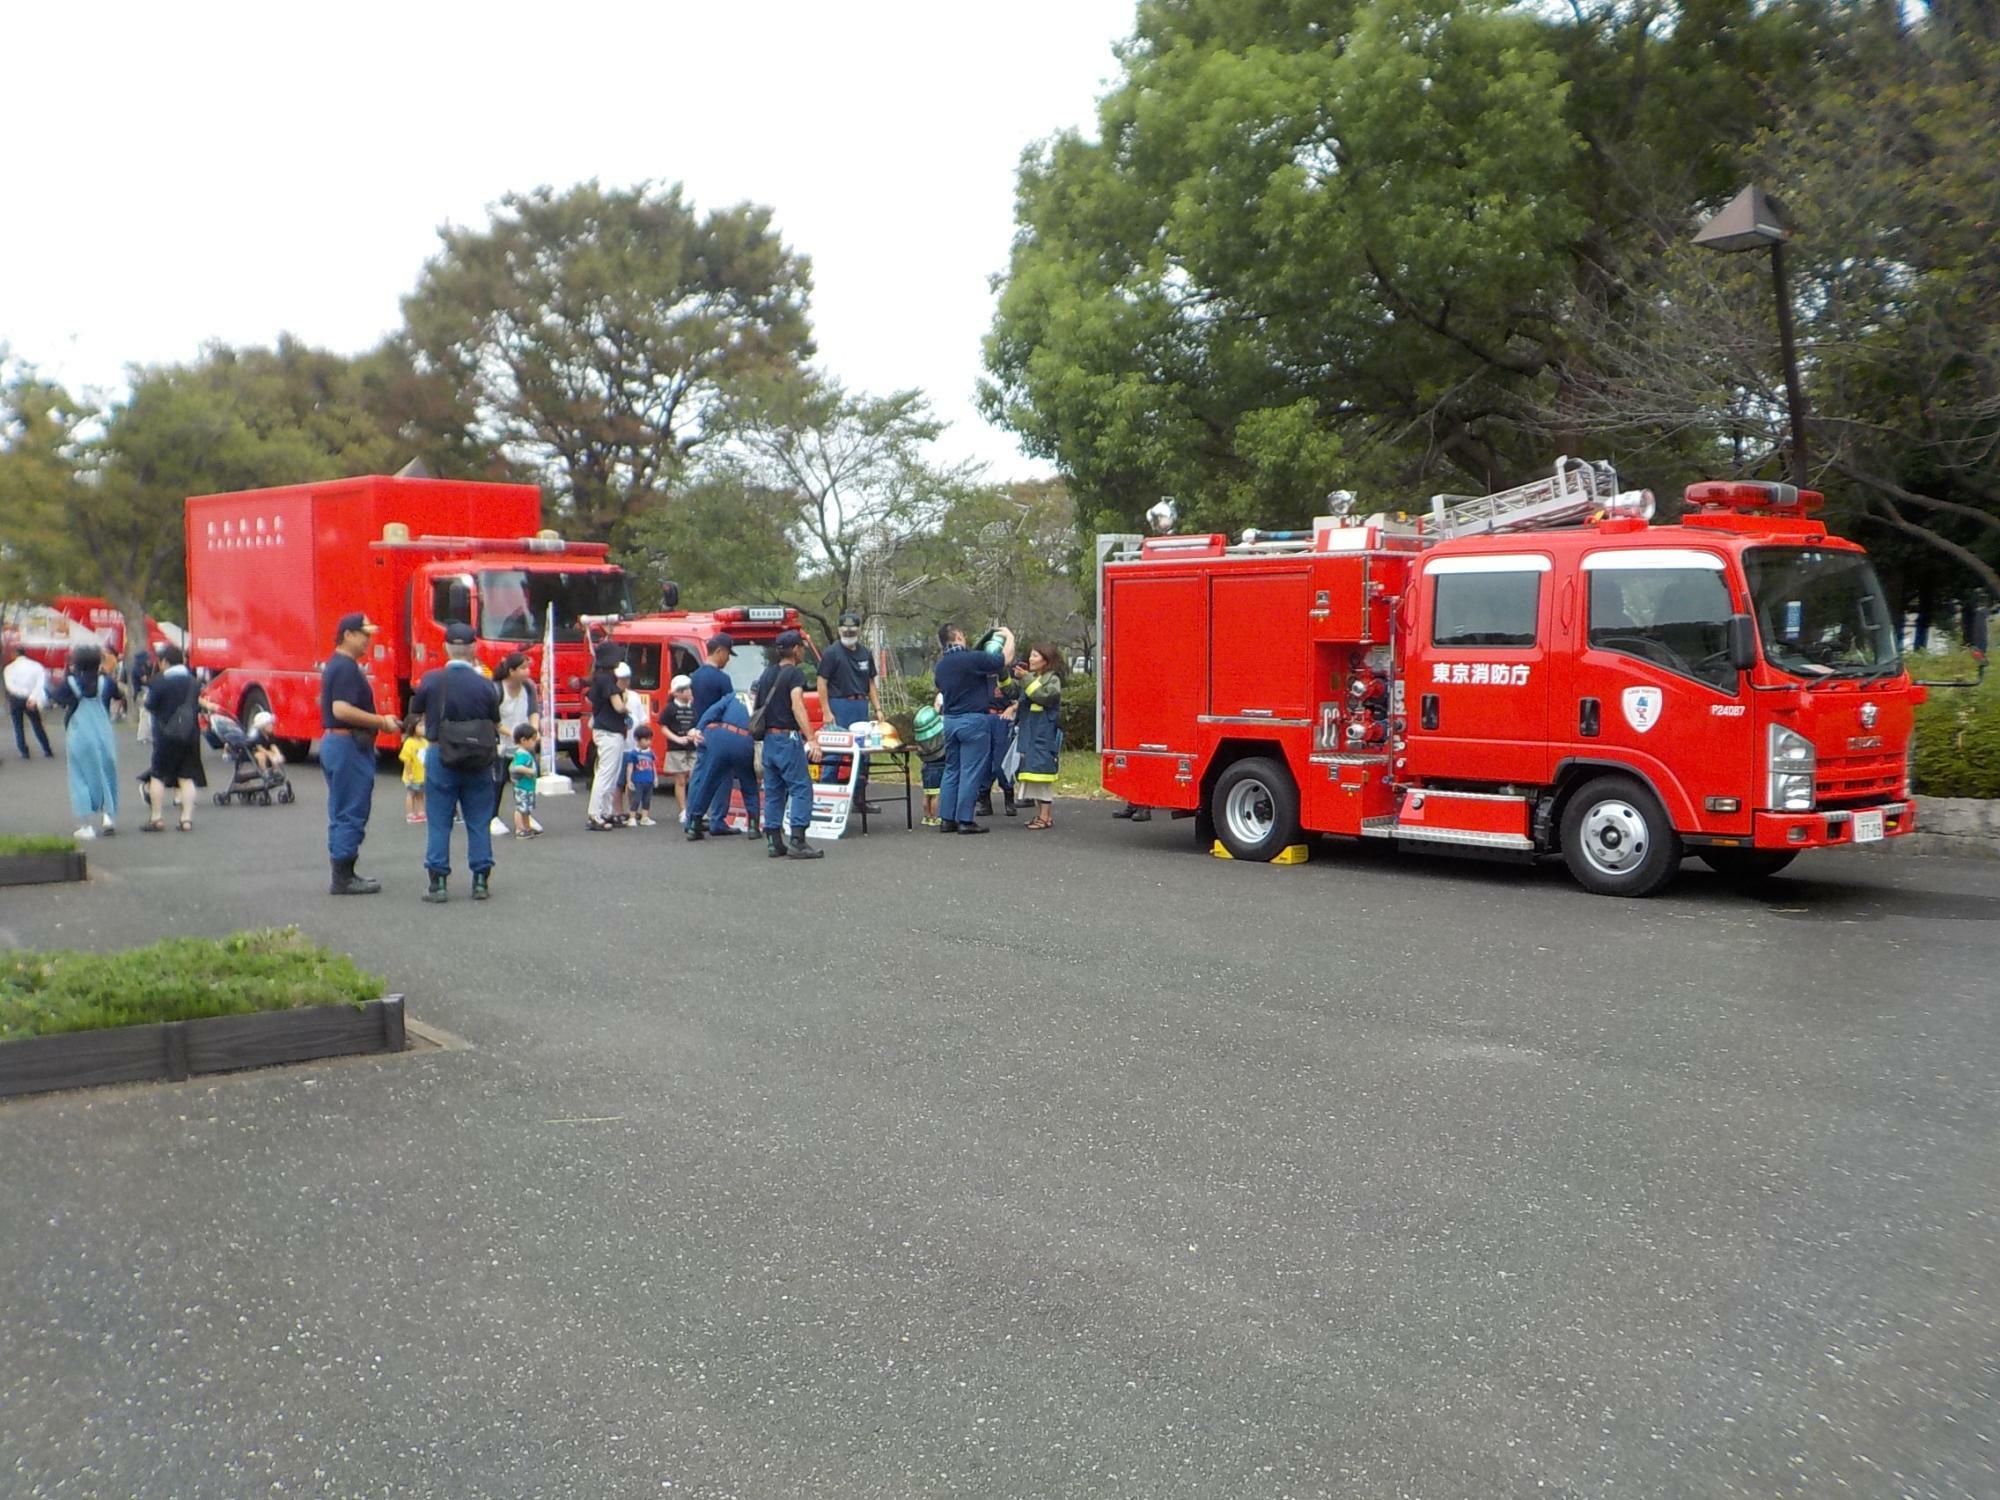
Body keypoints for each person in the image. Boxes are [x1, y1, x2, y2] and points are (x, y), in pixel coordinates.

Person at [409, 621, 503, 902]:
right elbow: (494, 721)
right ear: (474, 648)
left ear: (445, 648)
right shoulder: (486, 685)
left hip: (442, 754)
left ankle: (438, 883)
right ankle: (480, 880)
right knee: (478, 819)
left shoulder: (432, 681)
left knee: (439, 820)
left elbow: (415, 715)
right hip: (478, 758)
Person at [321, 613, 397, 894]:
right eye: (364, 634)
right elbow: (341, 709)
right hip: (347, 744)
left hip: (341, 744)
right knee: (351, 809)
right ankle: (343, 876)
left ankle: (343, 869)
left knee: (342, 808)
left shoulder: (341, 665)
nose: (369, 639)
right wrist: (381, 722)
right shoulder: (345, 668)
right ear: (348, 634)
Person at [933, 622, 1013, 834]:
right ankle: (965, 820)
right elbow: (1004, 659)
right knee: (971, 770)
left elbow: (939, 686)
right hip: (973, 720)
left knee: (951, 769)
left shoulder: (940, 666)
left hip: (950, 720)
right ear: (958, 636)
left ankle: (946, 818)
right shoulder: (973, 659)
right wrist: (1009, 636)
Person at [753, 629, 824, 860]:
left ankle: (774, 840)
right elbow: (797, 705)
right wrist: (811, 738)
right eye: (801, 647)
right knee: (801, 787)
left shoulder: (766, 674)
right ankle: (798, 840)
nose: (803, 651)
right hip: (787, 738)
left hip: (768, 740)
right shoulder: (794, 674)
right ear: (795, 650)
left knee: (774, 790)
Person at [47, 644, 124, 839]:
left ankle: (86, 825)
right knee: (107, 773)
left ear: (76, 663)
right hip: (103, 733)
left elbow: (56, 697)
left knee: (80, 777)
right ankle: (108, 816)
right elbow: (118, 695)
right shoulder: (105, 682)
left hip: (79, 734)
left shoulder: (71, 683)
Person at [140, 644, 213, 833]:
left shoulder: (158, 682)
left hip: (165, 735)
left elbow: (150, 705)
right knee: (186, 777)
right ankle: (186, 819)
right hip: (190, 735)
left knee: (158, 775)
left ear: (164, 662)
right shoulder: (194, 682)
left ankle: (157, 817)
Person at [815, 610, 883, 816]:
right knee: (834, 754)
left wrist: (877, 709)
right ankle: (826, 799)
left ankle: (860, 799)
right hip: (839, 705)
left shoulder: (865, 653)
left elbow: (870, 682)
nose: (849, 633)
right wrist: (826, 711)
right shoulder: (831, 653)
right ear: (839, 630)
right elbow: (821, 682)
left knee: (863, 756)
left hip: (860, 706)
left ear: (858, 630)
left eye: (852, 630)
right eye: (845, 630)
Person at [683, 685, 761, 841]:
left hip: (722, 739)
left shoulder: (733, 696)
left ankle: (694, 824)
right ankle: (753, 826)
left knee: (708, 782)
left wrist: (699, 728)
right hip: (744, 742)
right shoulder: (762, 705)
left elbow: (713, 711)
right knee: (749, 784)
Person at [1013, 645, 1064, 829]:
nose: (1031, 659)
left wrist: (1025, 678)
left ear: (1045, 660)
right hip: (1030, 735)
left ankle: (1045, 817)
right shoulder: (1032, 678)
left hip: (1043, 735)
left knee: (1042, 775)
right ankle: (1041, 816)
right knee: (1032, 775)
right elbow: (1014, 694)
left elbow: (1044, 697)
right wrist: (1004, 675)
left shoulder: (1053, 680)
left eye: (1035, 656)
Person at [492, 652, 541, 836]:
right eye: (523, 668)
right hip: (502, 742)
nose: (527, 672)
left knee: (526, 781)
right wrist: (513, 734)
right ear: (511, 671)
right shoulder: (496, 689)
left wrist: (533, 731)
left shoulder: (529, 687)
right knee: (498, 780)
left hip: (523, 744)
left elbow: (533, 711)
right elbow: (494, 721)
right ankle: (492, 817)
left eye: (528, 667)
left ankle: (526, 816)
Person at [585, 642, 628, 832]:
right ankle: (596, 814)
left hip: (604, 729)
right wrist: (627, 708)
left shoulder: (599, 678)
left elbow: (589, 698)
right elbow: (618, 706)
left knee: (607, 772)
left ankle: (605, 812)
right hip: (610, 731)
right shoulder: (608, 680)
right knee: (606, 773)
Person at [978, 674, 1019, 819]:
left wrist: (1013, 708)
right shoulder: (979, 676)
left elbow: (1022, 697)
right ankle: (984, 799)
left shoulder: (1006, 676)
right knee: (984, 761)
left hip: (1003, 719)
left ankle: (1009, 796)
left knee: (1002, 760)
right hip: (984, 718)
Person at [657, 674, 699, 814]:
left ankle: (694, 807)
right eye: (685, 689)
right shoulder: (670, 708)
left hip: (692, 747)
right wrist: (677, 738)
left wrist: (695, 732)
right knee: (680, 781)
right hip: (676, 748)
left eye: (689, 689)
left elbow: (697, 724)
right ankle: (683, 810)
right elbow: (663, 727)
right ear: (677, 692)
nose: (689, 692)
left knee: (695, 778)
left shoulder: (693, 708)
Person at [5, 643, 54, 759]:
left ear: (14, 654)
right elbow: (41, 683)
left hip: (16, 699)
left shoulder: (9, 668)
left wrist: (20, 694)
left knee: (18, 726)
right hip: (31, 699)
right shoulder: (36, 666)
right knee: (37, 724)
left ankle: (24, 752)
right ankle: (46, 749)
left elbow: (10, 686)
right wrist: (32, 697)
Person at [509, 724, 542, 838]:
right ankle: (519, 829)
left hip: (528, 786)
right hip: (522, 786)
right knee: (521, 808)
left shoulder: (526, 753)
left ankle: (527, 827)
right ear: (523, 740)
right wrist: (530, 771)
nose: (535, 742)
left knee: (526, 809)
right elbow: (517, 767)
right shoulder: (522, 754)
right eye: (532, 740)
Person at [625, 725, 660, 826]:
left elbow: (653, 765)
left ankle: (645, 817)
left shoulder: (650, 753)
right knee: (636, 799)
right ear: (637, 739)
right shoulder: (633, 753)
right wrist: (629, 780)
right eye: (646, 739)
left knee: (647, 799)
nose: (649, 742)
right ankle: (632, 817)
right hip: (638, 780)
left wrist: (655, 777)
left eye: (650, 739)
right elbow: (630, 767)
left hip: (648, 780)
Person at [399, 721, 430, 823]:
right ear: (413, 728)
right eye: (420, 725)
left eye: (424, 725)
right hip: (412, 775)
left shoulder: (425, 742)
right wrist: (410, 774)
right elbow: (407, 760)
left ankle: (421, 812)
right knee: (411, 794)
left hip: (422, 775)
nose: (423, 728)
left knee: (421, 794)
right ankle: (410, 814)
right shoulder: (409, 743)